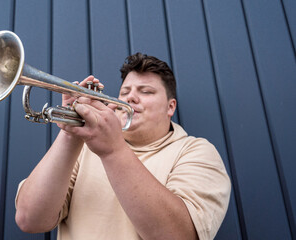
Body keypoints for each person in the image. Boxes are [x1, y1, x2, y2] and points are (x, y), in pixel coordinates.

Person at [15, 53, 231, 240]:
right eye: (125, 91)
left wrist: (113, 150)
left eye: (146, 91)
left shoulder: (196, 152)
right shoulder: (82, 149)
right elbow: (29, 219)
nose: (131, 97)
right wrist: (71, 134)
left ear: (170, 107)